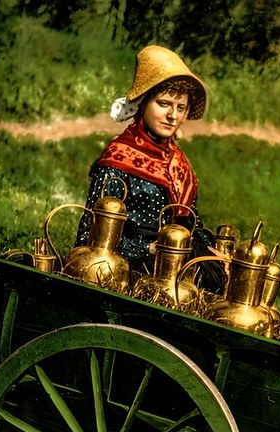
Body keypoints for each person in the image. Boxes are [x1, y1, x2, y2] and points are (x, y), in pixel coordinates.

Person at [75, 45, 216, 280]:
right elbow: (90, 234)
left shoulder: (180, 167)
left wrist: (210, 250)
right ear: (143, 103)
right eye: (163, 104)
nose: (172, 116)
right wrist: (146, 249)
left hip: (171, 271)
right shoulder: (117, 160)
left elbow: (192, 222)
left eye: (181, 108)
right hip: (120, 272)